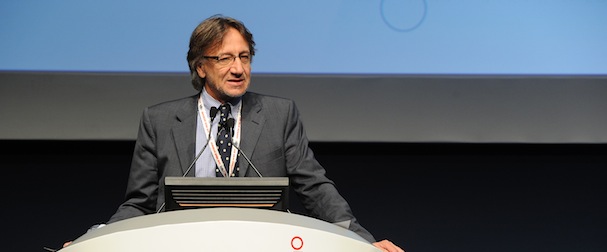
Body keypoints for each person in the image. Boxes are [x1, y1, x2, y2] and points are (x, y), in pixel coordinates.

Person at [65, 15, 404, 252]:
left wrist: (363, 241)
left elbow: (315, 188)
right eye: (225, 58)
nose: (239, 69)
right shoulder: (160, 120)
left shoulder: (278, 114)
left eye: (244, 57)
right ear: (201, 66)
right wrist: (91, 242)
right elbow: (137, 204)